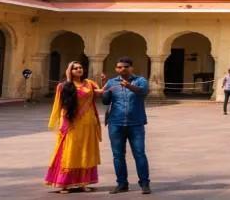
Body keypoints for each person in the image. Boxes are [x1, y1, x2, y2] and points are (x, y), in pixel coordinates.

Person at [44, 61, 103, 193]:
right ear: (70, 71)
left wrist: (106, 83)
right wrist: (61, 123)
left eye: (80, 67)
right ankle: (64, 183)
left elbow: (99, 94)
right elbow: (59, 105)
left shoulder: (89, 83)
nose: (78, 70)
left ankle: (83, 182)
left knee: (85, 151)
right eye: (75, 68)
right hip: (72, 122)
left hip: (88, 123)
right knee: (70, 151)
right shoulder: (64, 86)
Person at [102, 56, 151, 194]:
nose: (122, 69)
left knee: (139, 154)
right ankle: (122, 184)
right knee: (118, 155)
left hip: (136, 124)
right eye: (119, 67)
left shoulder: (140, 80)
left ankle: (145, 184)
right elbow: (106, 101)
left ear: (131, 68)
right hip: (116, 124)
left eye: (125, 67)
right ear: (116, 69)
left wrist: (128, 85)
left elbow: (143, 92)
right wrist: (105, 87)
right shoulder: (112, 82)